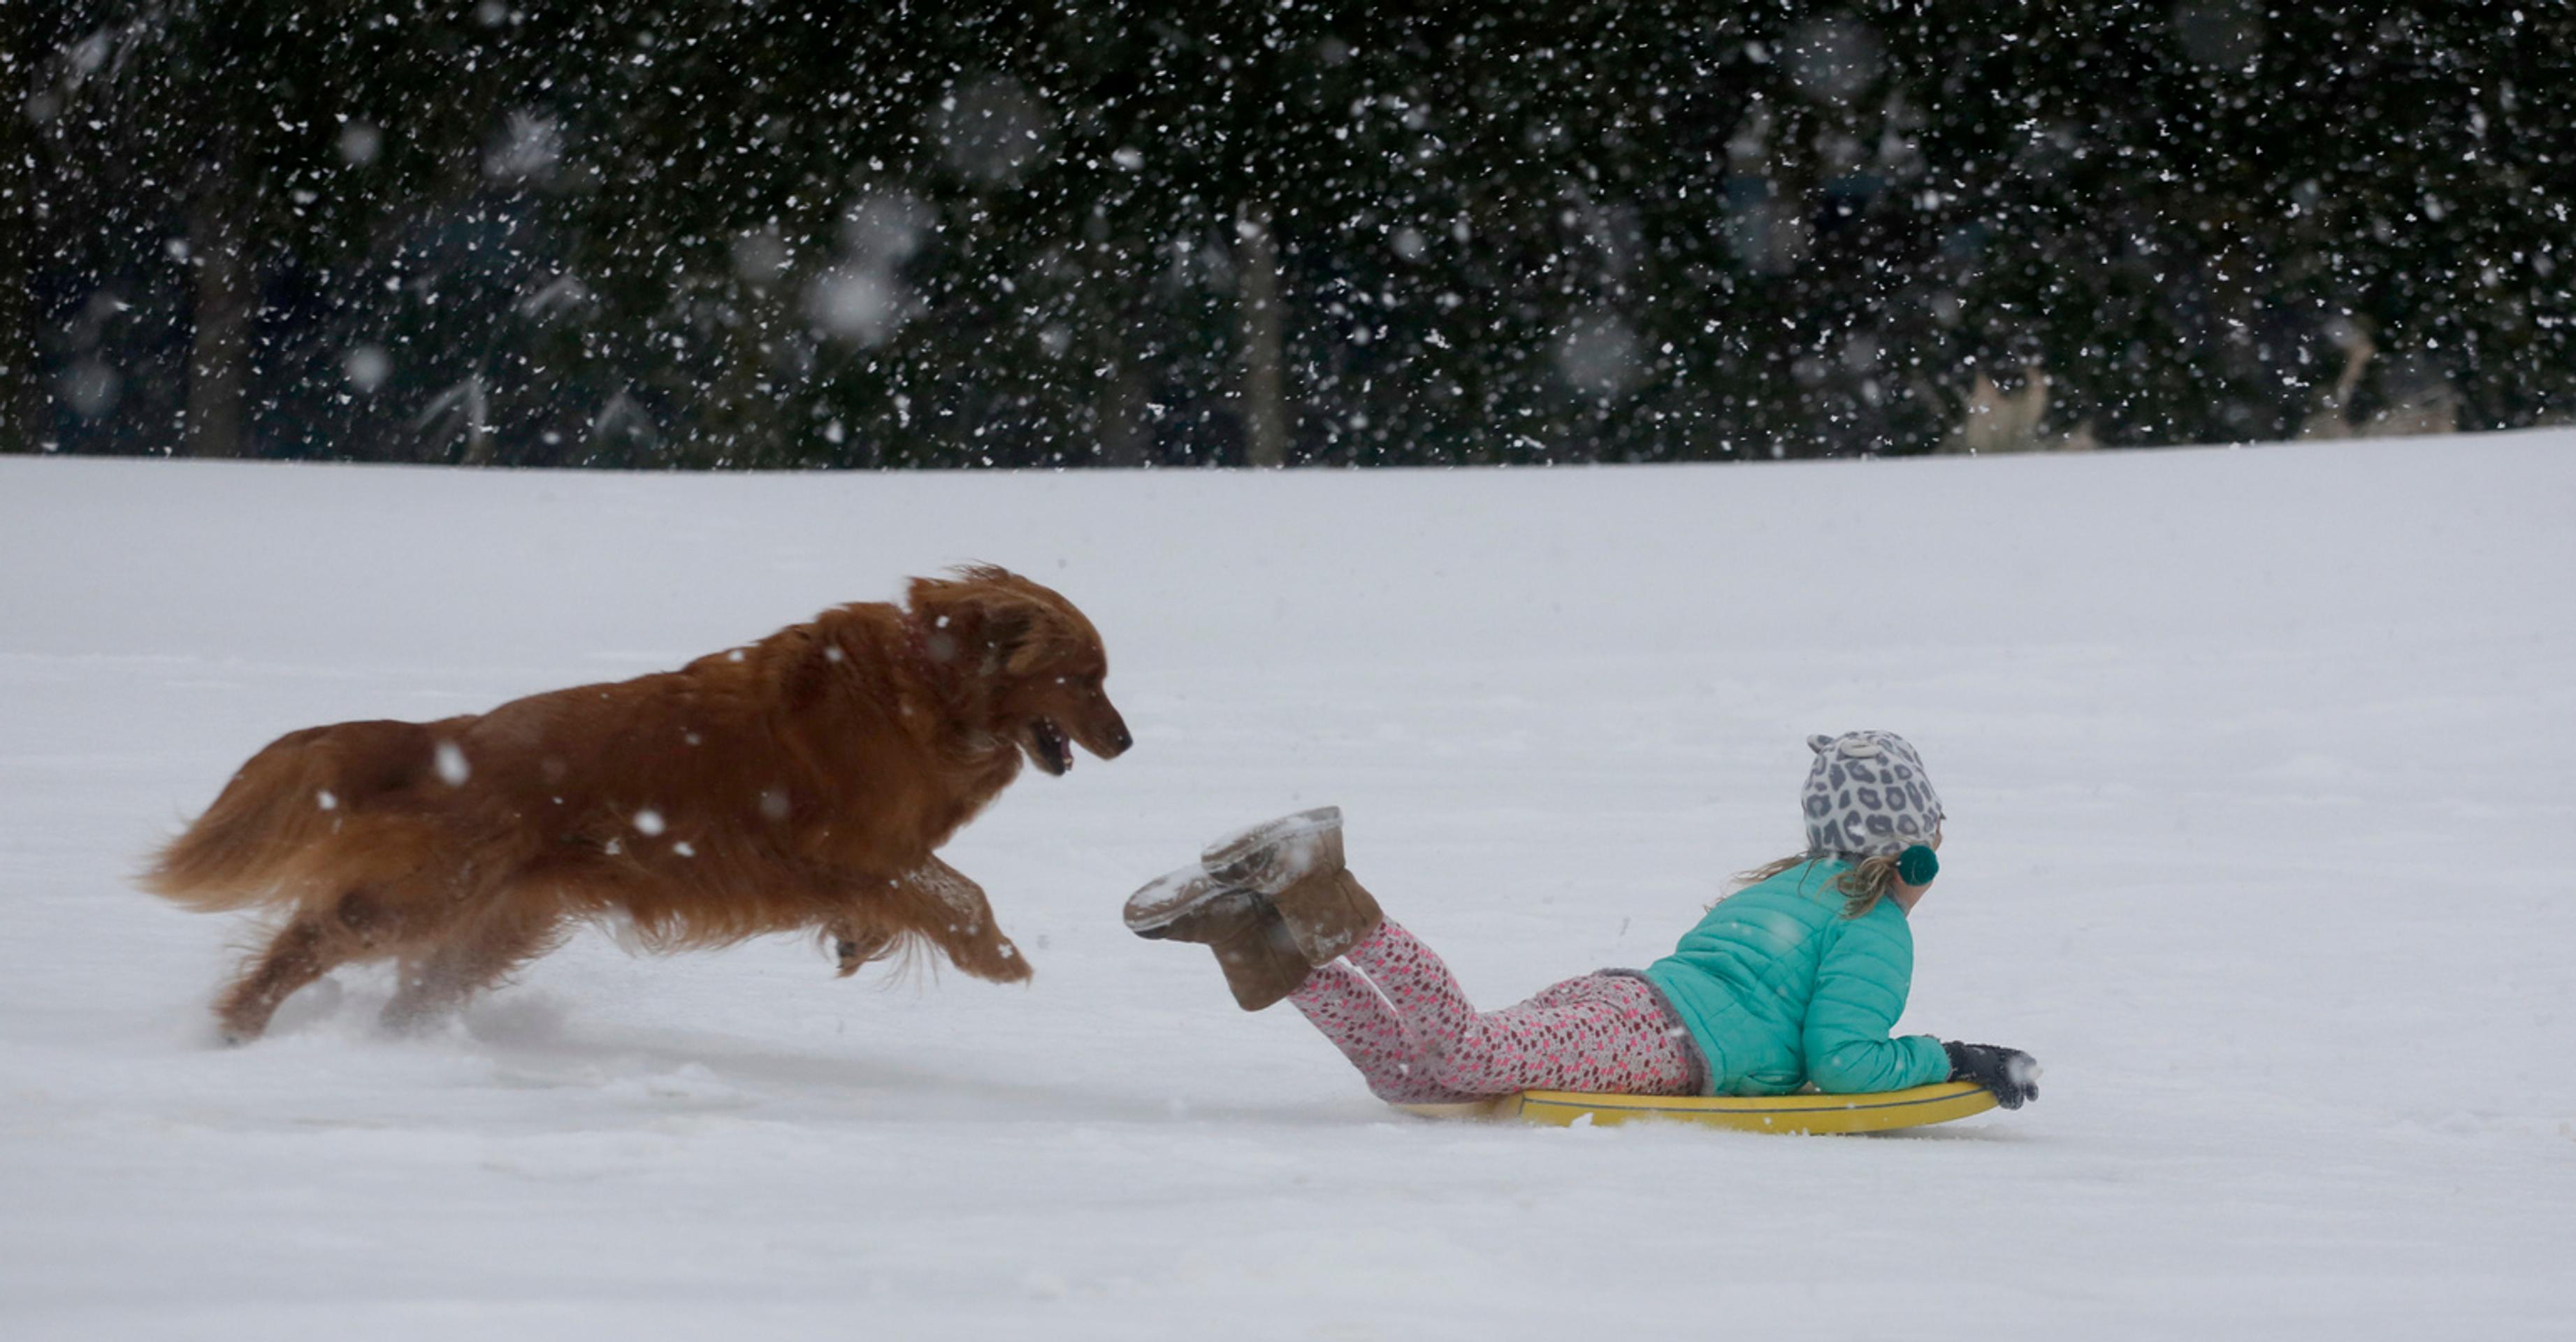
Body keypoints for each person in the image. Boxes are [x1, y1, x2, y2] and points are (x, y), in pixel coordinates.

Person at [1122, 730, 2040, 1109]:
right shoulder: (1874, 927)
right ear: (1912, 850)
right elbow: (1840, 1062)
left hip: (1624, 1001)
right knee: (1464, 1057)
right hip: (1665, 1049)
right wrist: (1950, 1059)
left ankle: (1262, 937)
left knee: (1420, 1085)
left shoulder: (1784, 884)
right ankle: (1329, 896)